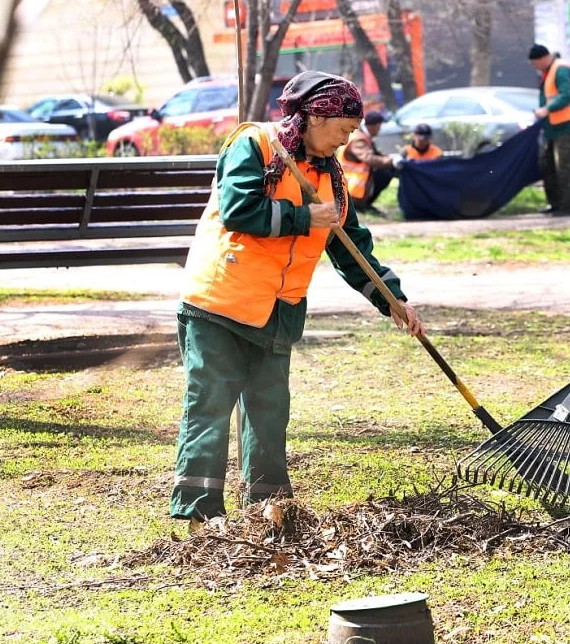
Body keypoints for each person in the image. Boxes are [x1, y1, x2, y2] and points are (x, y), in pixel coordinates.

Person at [172, 72, 423, 520]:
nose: (345, 142)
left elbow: (352, 250)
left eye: (351, 133)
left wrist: (392, 300)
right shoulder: (255, 146)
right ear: (315, 115)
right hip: (220, 303)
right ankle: (198, 512)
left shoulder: (331, 177)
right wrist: (304, 218)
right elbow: (238, 210)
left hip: (277, 312)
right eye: (342, 130)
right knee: (210, 406)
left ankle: (268, 510)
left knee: (269, 414)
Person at [528, 43, 570, 216]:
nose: (534, 67)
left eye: (535, 63)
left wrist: (546, 109)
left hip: (565, 127)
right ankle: (555, 204)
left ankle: (567, 207)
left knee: (564, 168)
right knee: (548, 166)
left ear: (543, 58)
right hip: (551, 127)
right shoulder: (548, 71)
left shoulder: (560, 69)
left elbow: (566, 95)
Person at [338, 109, 396, 217]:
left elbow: (377, 154)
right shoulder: (358, 139)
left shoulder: (362, 135)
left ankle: (365, 204)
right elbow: (369, 158)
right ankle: (361, 205)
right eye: (379, 126)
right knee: (384, 173)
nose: (379, 130)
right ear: (374, 126)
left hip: (352, 185)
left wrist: (392, 158)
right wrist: (392, 162)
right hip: (351, 187)